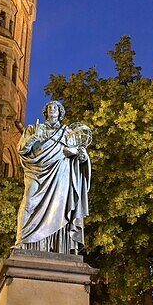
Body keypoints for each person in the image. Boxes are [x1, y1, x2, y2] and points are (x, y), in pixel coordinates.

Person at [14, 100, 91, 254]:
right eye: (49, 107)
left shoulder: (68, 133)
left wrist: (82, 157)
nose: (52, 109)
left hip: (60, 174)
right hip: (36, 172)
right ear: (45, 111)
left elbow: (78, 153)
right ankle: (22, 240)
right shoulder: (34, 128)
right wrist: (33, 139)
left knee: (60, 209)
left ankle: (58, 247)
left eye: (55, 107)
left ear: (60, 111)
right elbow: (22, 149)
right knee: (29, 202)